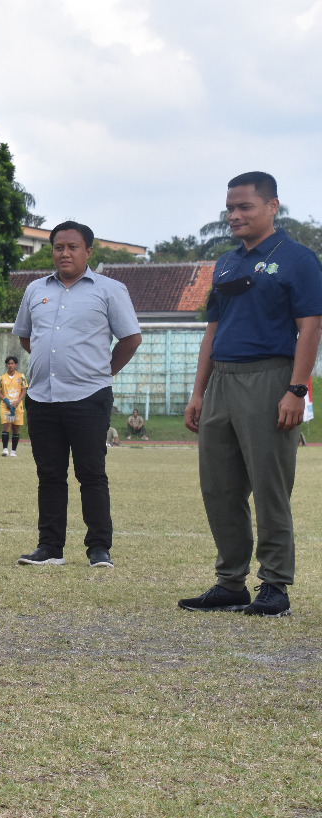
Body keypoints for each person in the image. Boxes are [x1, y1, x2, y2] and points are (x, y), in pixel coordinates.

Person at [179, 171, 322, 617]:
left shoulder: (298, 259)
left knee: (269, 486)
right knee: (218, 487)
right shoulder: (225, 263)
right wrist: (198, 391)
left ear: (272, 206)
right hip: (222, 380)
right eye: (230, 208)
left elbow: (310, 327)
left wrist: (296, 390)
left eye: (245, 207)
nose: (234, 215)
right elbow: (212, 331)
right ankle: (230, 583)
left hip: (270, 379)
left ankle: (275, 585)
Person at [12, 220, 141, 569]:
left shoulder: (110, 290)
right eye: (58, 247)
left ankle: (99, 548)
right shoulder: (35, 289)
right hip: (41, 397)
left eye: (73, 247)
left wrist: (103, 372)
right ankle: (50, 547)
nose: (65, 253)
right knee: (49, 474)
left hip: (89, 396)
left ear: (88, 251)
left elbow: (130, 339)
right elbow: (26, 336)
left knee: (91, 473)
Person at [0, 355, 28, 456]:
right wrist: (5, 400)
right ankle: (5, 449)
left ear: (16, 365)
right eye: (8, 363)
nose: (10, 365)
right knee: (6, 426)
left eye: (12, 363)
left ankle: (13, 450)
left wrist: (18, 401)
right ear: (6, 365)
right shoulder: (2, 378)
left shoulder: (21, 376)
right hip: (6, 406)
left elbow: (24, 390)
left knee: (16, 428)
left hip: (17, 405)